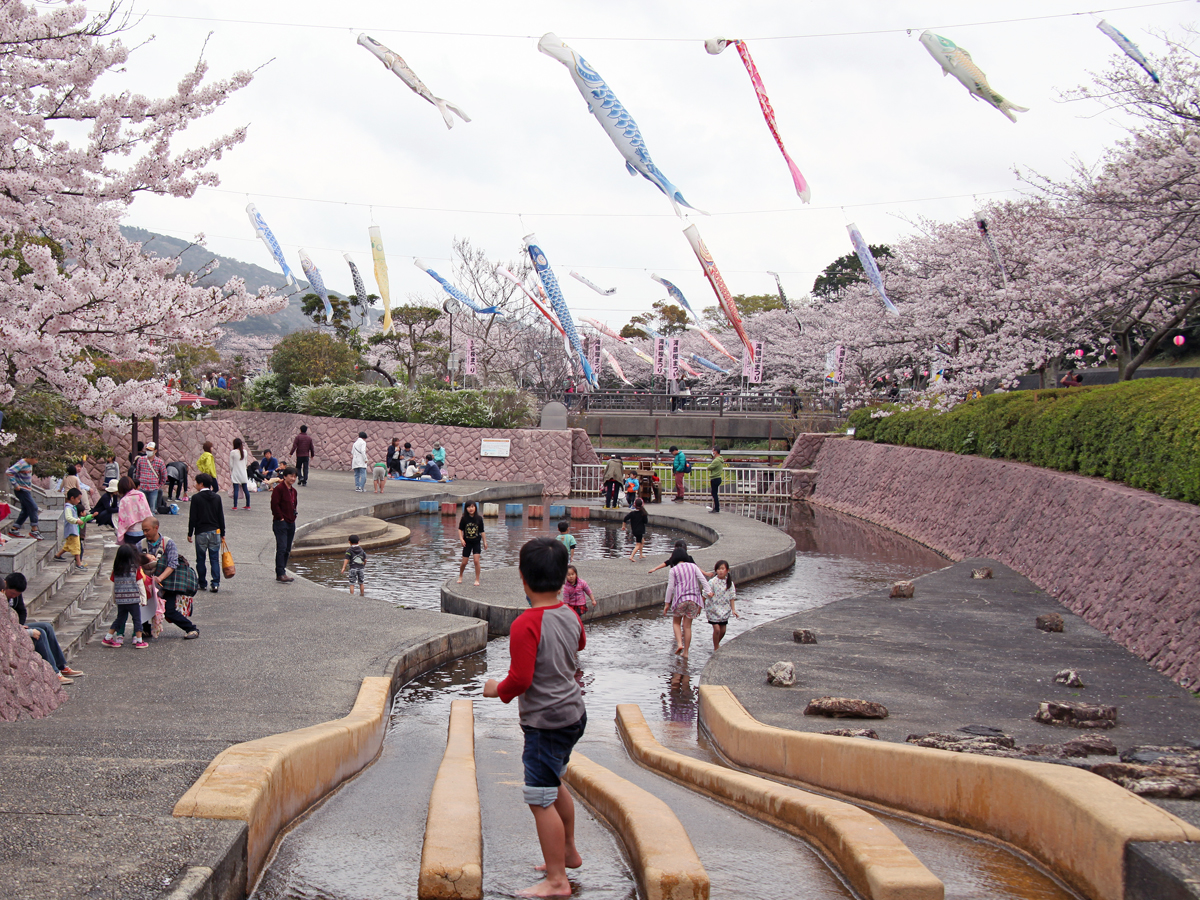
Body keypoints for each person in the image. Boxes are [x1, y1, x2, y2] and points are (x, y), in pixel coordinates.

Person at [482, 537, 586, 899]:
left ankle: (557, 881)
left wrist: (496, 688)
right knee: (554, 782)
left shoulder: (526, 623)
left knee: (539, 797)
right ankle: (569, 851)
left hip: (547, 722)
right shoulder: (570, 614)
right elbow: (580, 646)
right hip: (573, 714)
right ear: (562, 578)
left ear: (523, 579)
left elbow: (521, 678)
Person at [4, 573, 84, 683]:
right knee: (39, 632)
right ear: (5, 584)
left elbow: (22, 611)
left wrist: (20, 625)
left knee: (47, 626)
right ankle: (54, 672)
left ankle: (61, 666)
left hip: (15, 626)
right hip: (7, 630)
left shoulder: (15, 595)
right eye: (12, 593)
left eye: (16, 595)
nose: (13, 596)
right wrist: (25, 630)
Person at [140, 516, 199, 640]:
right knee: (144, 607)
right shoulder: (141, 544)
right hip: (147, 583)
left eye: (147, 530)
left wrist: (159, 579)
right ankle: (144, 629)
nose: (145, 533)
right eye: (143, 531)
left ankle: (191, 628)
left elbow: (173, 564)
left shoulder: (168, 543)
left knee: (169, 610)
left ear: (156, 528)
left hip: (167, 583)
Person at [653, 541, 712, 659]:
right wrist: (708, 591)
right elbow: (702, 579)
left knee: (676, 623)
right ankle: (686, 652)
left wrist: (667, 603)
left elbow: (670, 587)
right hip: (694, 599)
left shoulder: (674, 570)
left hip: (680, 599)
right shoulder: (693, 566)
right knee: (687, 627)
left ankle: (679, 644)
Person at [101, 544, 150, 649]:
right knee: (137, 619)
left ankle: (108, 637)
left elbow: (113, 586)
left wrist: (114, 598)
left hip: (120, 600)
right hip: (133, 600)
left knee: (120, 619)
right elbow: (140, 585)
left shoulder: (116, 570)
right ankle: (139, 640)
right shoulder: (135, 569)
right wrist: (143, 599)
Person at [188, 473, 226, 594]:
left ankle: (202, 582)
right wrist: (223, 532)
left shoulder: (196, 498)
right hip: (215, 531)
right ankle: (215, 583)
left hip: (201, 532)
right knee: (214, 558)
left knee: (200, 558)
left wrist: (190, 532)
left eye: (197, 483)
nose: (196, 485)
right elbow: (221, 516)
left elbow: (192, 517)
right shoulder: (217, 497)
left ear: (201, 484)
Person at [272, 466, 298, 583]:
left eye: (295, 476)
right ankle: (280, 573)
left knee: (287, 548)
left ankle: (283, 571)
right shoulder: (279, 489)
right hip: (280, 522)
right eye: (291, 476)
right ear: (285, 476)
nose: (293, 478)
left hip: (291, 522)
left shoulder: (294, 491)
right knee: (281, 548)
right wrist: (280, 518)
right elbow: (274, 505)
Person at [5, 455, 41, 539]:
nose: (36, 462)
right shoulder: (21, 463)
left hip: (27, 490)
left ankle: (14, 529)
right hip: (21, 490)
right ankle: (34, 530)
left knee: (26, 510)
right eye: (36, 459)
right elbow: (9, 472)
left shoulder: (29, 465)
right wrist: (15, 485)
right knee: (33, 508)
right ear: (30, 457)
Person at [705, 560, 738, 650]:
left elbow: (732, 596)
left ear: (727, 570)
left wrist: (733, 610)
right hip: (713, 609)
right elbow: (705, 594)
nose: (720, 571)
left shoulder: (729, 583)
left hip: (724, 609)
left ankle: (717, 644)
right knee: (717, 629)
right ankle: (716, 647)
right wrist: (700, 607)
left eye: (722, 569)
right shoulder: (712, 582)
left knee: (723, 630)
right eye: (718, 569)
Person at [54, 488, 89, 568]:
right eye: (78, 499)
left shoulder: (72, 507)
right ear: (72, 498)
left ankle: (58, 555)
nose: (79, 501)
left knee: (68, 545)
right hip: (72, 531)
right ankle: (79, 563)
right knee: (77, 547)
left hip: (73, 530)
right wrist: (76, 521)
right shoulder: (68, 508)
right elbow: (68, 517)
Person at [116, 476, 153, 547]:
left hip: (131, 533)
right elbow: (147, 511)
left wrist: (120, 536)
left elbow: (122, 520)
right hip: (143, 530)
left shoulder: (124, 500)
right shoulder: (141, 495)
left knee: (132, 555)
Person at [457, 501, 487, 586]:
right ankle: (460, 575)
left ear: (475, 508)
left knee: (476, 561)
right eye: (469, 507)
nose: (471, 509)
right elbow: (460, 529)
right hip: (467, 542)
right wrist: (461, 539)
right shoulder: (464, 518)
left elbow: (482, 531)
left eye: (473, 507)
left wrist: (485, 542)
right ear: (466, 508)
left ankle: (477, 579)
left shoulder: (479, 519)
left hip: (476, 542)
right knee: (464, 562)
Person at [134, 441, 167, 513]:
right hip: (142, 487)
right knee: (141, 509)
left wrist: (159, 485)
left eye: (150, 450)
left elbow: (164, 476)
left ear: (155, 451)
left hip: (153, 489)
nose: (148, 451)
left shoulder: (160, 462)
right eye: (147, 450)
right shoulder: (141, 460)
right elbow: (137, 473)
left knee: (152, 509)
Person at [229, 438, 252, 510]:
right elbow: (245, 463)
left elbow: (231, 465)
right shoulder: (245, 452)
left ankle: (235, 506)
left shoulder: (233, 452)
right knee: (245, 489)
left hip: (236, 473)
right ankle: (248, 504)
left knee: (236, 489)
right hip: (243, 473)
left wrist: (232, 471)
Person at [623, 497, 648, 562]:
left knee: (642, 541)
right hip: (640, 531)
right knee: (638, 544)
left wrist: (623, 526)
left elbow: (625, 519)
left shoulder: (632, 513)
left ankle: (641, 554)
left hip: (634, 530)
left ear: (635, 505)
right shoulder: (643, 513)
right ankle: (631, 556)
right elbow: (646, 522)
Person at [707, 447, 725, 514]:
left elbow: (710, 467)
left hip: (715, 478)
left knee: (714, 494)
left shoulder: (716, 460)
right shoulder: (720, 459)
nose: (712, 452)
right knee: (715, 493)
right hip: (718, 478)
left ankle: (716, 508)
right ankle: (716, 508)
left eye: (713, 451)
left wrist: (708, 467)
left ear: (716, 452)